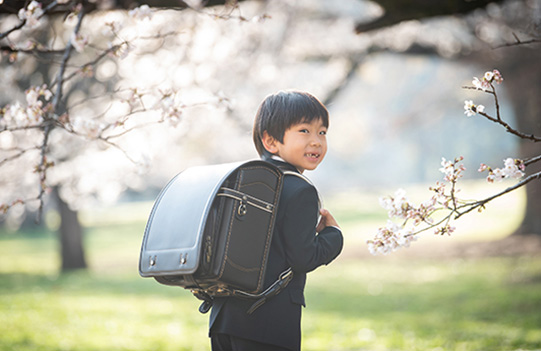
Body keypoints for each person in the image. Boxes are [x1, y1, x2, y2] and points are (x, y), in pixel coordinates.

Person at [209, 90, 344, 351]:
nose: (316, 141)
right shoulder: (300, 189)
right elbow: (303, 258)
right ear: (270, 141)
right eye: (304, 131)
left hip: (224, 318)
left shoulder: (244, 181)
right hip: (268, 324)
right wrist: (333, 236)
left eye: (322, 132)